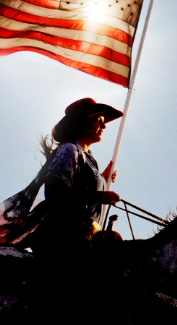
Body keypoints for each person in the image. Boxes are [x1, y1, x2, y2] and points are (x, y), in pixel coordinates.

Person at [28, 97, 122, 259]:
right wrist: (100, 196)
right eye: (99, 120)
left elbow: (85, 189)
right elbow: (55, 192)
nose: (104, 125)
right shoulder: (69, 149)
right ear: (83, 123)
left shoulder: (90, 159)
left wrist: (104, 180)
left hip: (86, 238)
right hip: (64, 241)